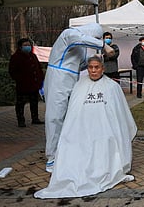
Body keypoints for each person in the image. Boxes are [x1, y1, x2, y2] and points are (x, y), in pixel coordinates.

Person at [34, 56, 137, 199]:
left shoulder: (112, 87)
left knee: (107, 142)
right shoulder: (79, 86)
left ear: (103, 68)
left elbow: (120, 113)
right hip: (82, 130)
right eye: (90, 67)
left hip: (105, 130)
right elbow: (73, 112)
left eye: (97, 67)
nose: (93, 70)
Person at [44, 23, 114, 173]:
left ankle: (64, 151)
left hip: (70, 81)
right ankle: (51, 157)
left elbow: (81, 64)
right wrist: (103, 45)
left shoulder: (80, 48)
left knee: (70, 117)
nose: (92, 40)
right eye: (94, 37)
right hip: (58, 79)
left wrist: (96, 59)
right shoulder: (69, 34)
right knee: (55, 118)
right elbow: (79, 39)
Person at [8, 38, 45, 127]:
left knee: (34, 102)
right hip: (23, 85)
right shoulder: (16, 57)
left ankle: (35, 118)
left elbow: (38, 69)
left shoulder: (33, 56)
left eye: (28, 45)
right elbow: (12, 71)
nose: (27, 47)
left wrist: (40, 79)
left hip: (34, 84)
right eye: (25, 45)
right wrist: (19, 79)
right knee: (20, 103)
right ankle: (21, 120)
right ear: (20, 47)